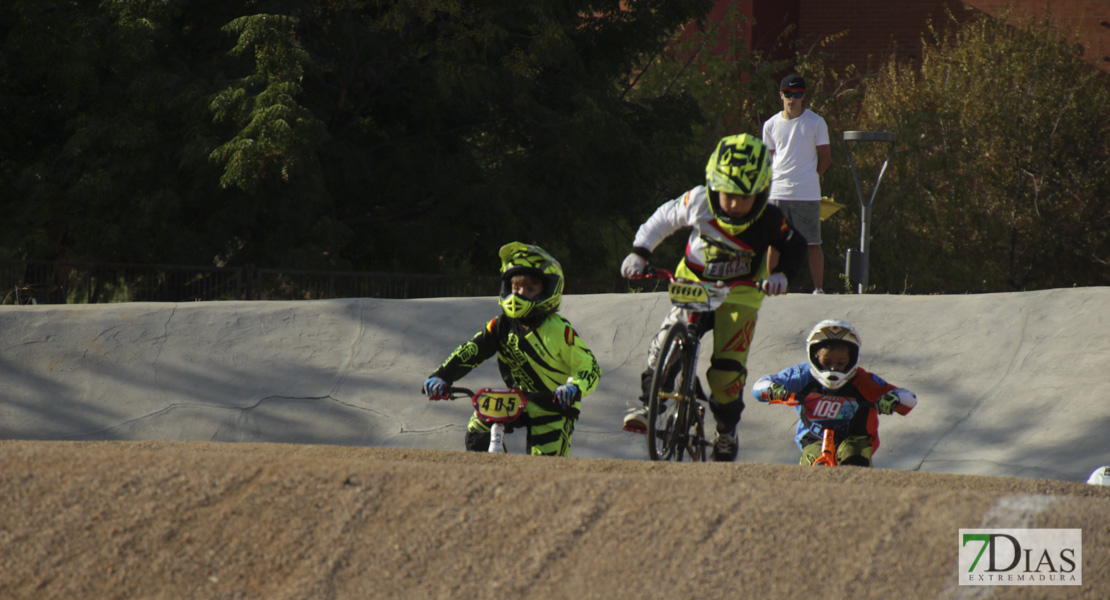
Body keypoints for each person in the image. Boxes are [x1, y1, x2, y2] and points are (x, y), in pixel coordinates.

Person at [619, 133, 808, 462]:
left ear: (761, 192)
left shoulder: (770, 219)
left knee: (726, 375)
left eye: (743, 197)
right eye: (726, 194)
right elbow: (663, 219)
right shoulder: (698, 200)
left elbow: (796, 246)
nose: (733, 203)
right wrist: (640, 252)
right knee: (662, 349)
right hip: (692, 284)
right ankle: (650, 407)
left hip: (741, 296)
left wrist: (783, 276)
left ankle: (726, 430)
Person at [422, 242, 601, 456]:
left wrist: (575, 388)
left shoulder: (558, 330)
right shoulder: (501, 325)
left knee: (546, 465)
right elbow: (471, 350)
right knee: (477, 428)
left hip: (553, 405)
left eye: (530, 289)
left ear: (549, 289)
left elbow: (589, 366)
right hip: (516, 399)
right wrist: (442, 376)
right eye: (516, 288)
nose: (519, 295)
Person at [752, 319, 917, 467]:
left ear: (852, 359)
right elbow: (760, 385)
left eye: (841, 363)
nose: (833, 368)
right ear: (815, 357)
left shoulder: (863, 379)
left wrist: (892, 399)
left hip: (856, 436)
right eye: (826, 362)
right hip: (813, 438)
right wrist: (773, 389)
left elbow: (909, 398)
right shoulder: (802, 374)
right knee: (813, 462)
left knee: (855, 460)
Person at [761, 73, 832, 293]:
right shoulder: (771, 125)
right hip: (779, 192)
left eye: (797, 94)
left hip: (807, 193)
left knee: (812, 243)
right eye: (788, 94)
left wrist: (813, 177)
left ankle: (818, 289)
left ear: (803, 96)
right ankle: (772, 287)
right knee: (775, 243)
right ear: (781, 95)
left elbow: (826, 157)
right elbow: (768, 159)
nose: (792, 99)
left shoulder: (816, 122)